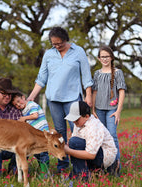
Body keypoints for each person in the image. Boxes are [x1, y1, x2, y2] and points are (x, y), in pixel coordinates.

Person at [27, 27, 93, 173]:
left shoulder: (78, 51)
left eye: (60, 43)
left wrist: (88, 95)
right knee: (59, 134)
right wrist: (31, 96)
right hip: (54, 99)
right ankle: (63, 166)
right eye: (54, 44)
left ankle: (81, 166)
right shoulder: (49, 54)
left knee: (78, 131)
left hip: (72, 98)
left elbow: (86, 76)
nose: (57, 46)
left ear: (66, 39)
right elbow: (41, 78)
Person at [92, 45, 126, 175]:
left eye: (107, 56)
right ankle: (102, 165)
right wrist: (93, 109)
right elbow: (94, 92)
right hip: (99, 110)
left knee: (112, 136)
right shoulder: (97, 74)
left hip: (112, 110)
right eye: (102, 57)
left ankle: (115, 167)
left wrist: (118, 111)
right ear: (99, 58)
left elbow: (121, 92)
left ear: (111, 57)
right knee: (101, 138)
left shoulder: (118, 73)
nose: (105, 59)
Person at [64, 101, 118, 180]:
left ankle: (82, 176)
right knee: (73, 142)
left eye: (76, 119)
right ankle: (79, 172)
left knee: (74, 143)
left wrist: (69, 151)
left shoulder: (93, 126)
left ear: (86, 116)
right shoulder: (79, 123)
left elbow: (91, 155)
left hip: (104, 156)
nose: (73, 122)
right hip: (94, 152)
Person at [11, 91, 50, 178]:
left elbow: (35, 115)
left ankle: (45, 174)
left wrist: (24, 118)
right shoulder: (23, 110)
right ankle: (20, 170)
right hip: (34, 137)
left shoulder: (31, 104)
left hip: (42, 133)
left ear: (23, 98)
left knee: (43, 153)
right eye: (16, 105)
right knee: (35, 153)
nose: (18, 105)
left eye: (18, 101)